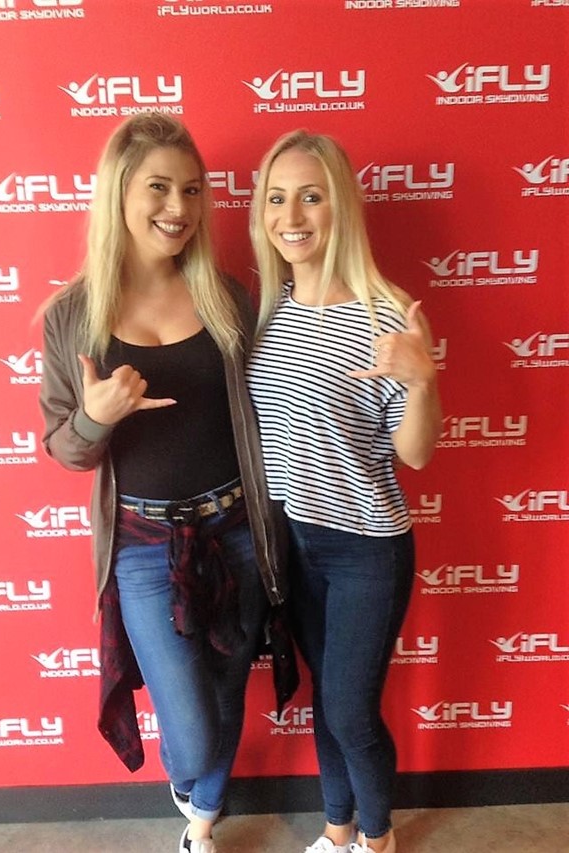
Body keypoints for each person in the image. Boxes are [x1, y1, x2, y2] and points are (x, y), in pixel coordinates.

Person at [38, 113, 297, 853]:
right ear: (119, 193)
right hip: (146, 545)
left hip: (238, 530)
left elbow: (274, 405)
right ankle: (194, 792)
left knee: (224, 690)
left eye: (192, 188)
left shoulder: (226, 296)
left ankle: (202, 824)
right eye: (159, 187)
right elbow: (65, 448)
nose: (178, 207)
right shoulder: (71, 317)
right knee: (191, 717)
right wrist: (94, 417)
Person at [246, 130, 442, 853]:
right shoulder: (265, 315)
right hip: (291, 542)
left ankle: (378, 839)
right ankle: (336, 832)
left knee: (351, 709)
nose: (290, 214)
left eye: (310, 195)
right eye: (276, 197)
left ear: (341, 207)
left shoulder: (385, 317)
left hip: (366, 547)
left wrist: (423, 378)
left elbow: (415, 454)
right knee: (325, 701)